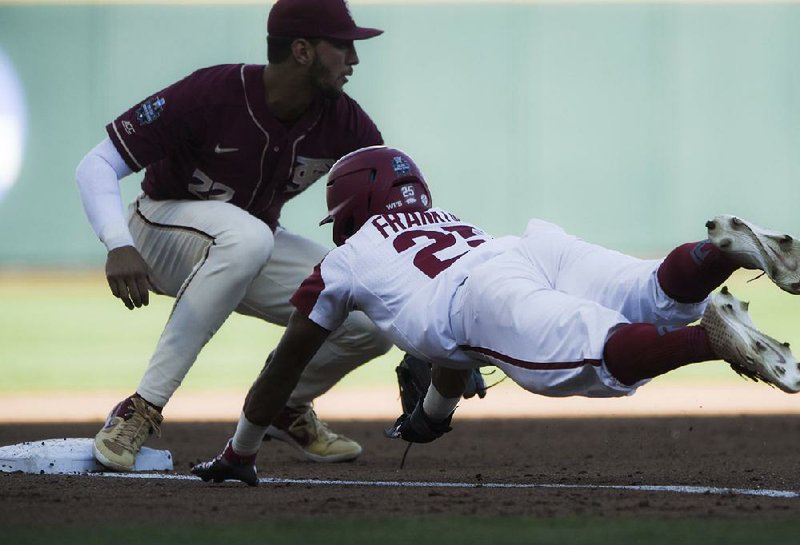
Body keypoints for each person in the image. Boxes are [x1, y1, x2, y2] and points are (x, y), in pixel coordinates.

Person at [191, 145, 800, 486]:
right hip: (522, 249)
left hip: (478, 293)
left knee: (591, 354)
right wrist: (432, 417)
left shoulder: (344, 260)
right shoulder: (446, 219)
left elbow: (286, 362)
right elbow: (453, 357)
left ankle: (710, 341)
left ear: (350, 207)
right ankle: (725, 253)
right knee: (651, 291)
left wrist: (241, 449)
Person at [74, 0, 396, 472]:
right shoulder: (214, 93)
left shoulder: (345, 121)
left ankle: (283, 404)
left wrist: (427, 334)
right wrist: (117, 241)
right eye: (343, 46)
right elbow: (97, 164)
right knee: (249, 237)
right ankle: (139, 409)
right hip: (159, 230)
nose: (354, 59)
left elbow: (394, 217)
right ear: (303, 51)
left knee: (365, 314)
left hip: (248, 243)